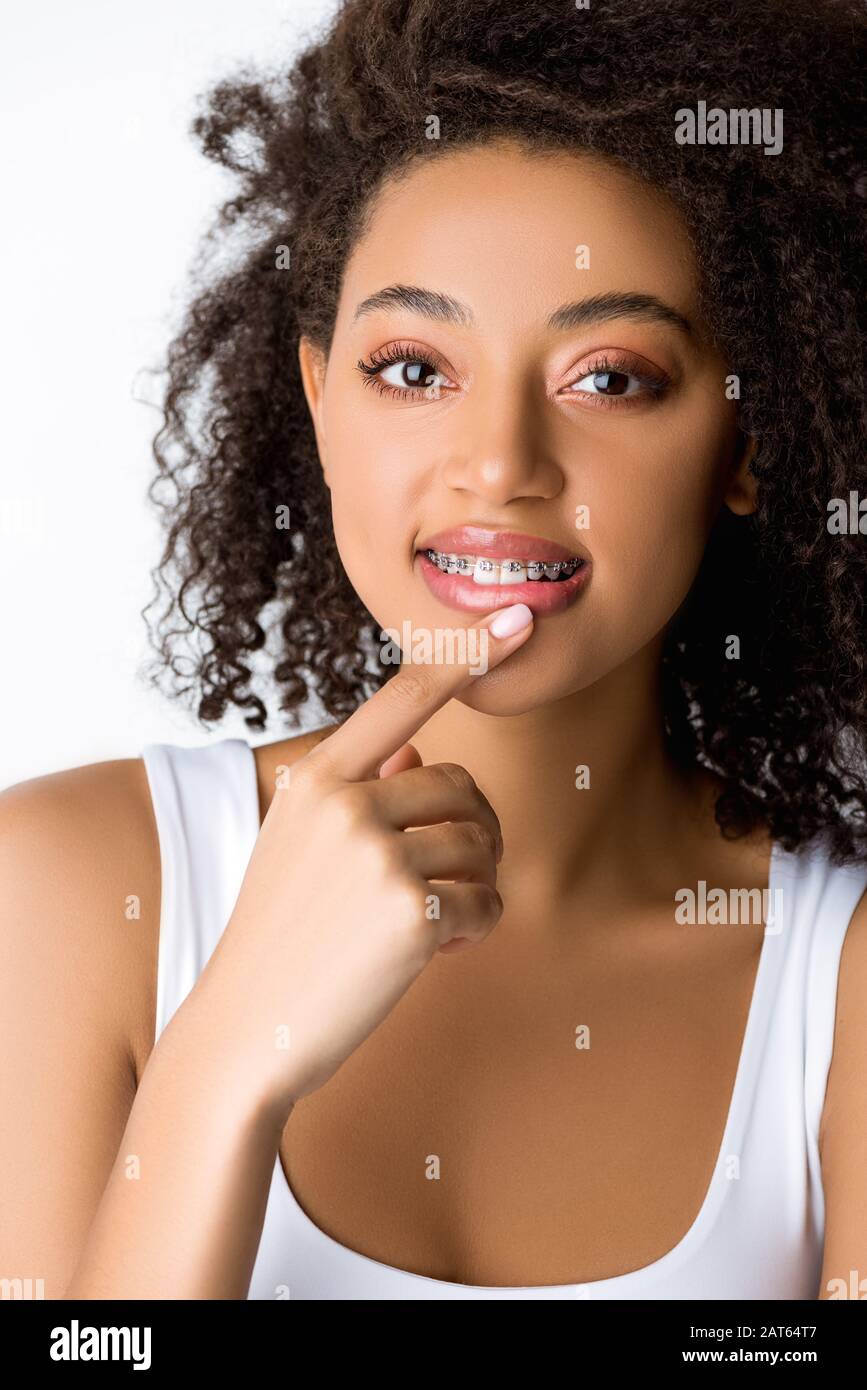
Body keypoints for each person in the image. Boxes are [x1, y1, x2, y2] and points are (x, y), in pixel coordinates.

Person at [2, 0, 866, 1301]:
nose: (502, 466)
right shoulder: (67, 891)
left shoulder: (841, 978)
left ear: (748, 441)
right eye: (414, 367)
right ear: (320, 403)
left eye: (611, 376)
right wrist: (230, 1049)